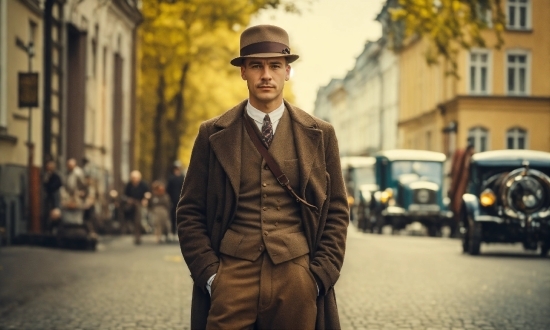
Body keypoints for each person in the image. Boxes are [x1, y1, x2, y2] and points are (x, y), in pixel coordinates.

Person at [176, 25, 349, 329]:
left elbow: (336, 210)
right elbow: (189, 212)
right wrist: (211, 276)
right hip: (232, 275)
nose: (266, 75)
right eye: (256, 66)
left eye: (274, 66)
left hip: (297, 275)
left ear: (287, 72)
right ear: (243, 71)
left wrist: (319, 278)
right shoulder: (212, 133)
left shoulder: (320, 134)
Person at [123, 170, 149, 244]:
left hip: (139, 204)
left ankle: (138, 237)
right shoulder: (129, 185)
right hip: (131, 205)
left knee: (138, 220)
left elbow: (147, 193)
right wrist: (128, 200)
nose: (135, 179)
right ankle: (134, 233)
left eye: (136, 178)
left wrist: (145, 199)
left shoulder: (143, 184)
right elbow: (125, 195)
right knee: (132, 221)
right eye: (133, 178)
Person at [166, 161, 185, 236]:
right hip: (173, 200)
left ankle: (180, 230)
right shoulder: (171, 178)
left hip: (181, 199)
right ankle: (173, 231)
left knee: (181, 214)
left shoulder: (182, 178)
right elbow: (168, 189)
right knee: (172, 215)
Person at [43, 159, 62, 229]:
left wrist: (49, 187)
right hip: (49, 196)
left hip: (55, 196)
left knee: (55, 211)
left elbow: (58, 184)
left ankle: (55, 225)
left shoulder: (56, 176)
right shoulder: (47, 175)